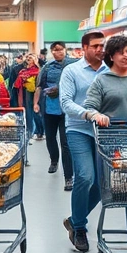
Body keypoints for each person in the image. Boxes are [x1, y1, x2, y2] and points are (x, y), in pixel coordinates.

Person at [79, 35, 127, 253]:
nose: (126, 55)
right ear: (111, 55)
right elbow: (89, 106)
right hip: (114, 145)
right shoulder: (102, 80)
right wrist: (97, 114)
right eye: (121, 52)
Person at [59, 31, 107, 253]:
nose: (100, 49)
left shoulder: (111, 71)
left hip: (105, 132)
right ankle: (80, 229)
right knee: (85, 176)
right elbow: (66, 102)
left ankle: (74, 219)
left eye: (102, 45)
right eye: (95, 46)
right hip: (78, 129)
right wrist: (88, 114)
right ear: (84, 48)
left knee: (101, 184)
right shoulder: (72, 71)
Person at [35, 41, 76, 189]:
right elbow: (39, 86)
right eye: (55, 50)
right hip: (49, 108)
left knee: (66, 143)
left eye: (60, 49)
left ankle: (69, 177)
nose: (58, 52)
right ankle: (54, 160)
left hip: (67, 110)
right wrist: (36, 103)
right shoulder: (47, 67)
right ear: (52, 52)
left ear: (65, 50)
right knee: (50, 138)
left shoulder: (73, 65)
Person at [15, 54, 44, 143]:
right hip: (25, 94)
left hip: (36, 94)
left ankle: (40, 132)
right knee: (28, 114)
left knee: (36, 113)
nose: (28, 59)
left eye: (30, 58)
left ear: (35, 60)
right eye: (27, 57)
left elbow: (39, 84)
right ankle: (30, 133)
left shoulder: (39, 71)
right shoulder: (23, 70)